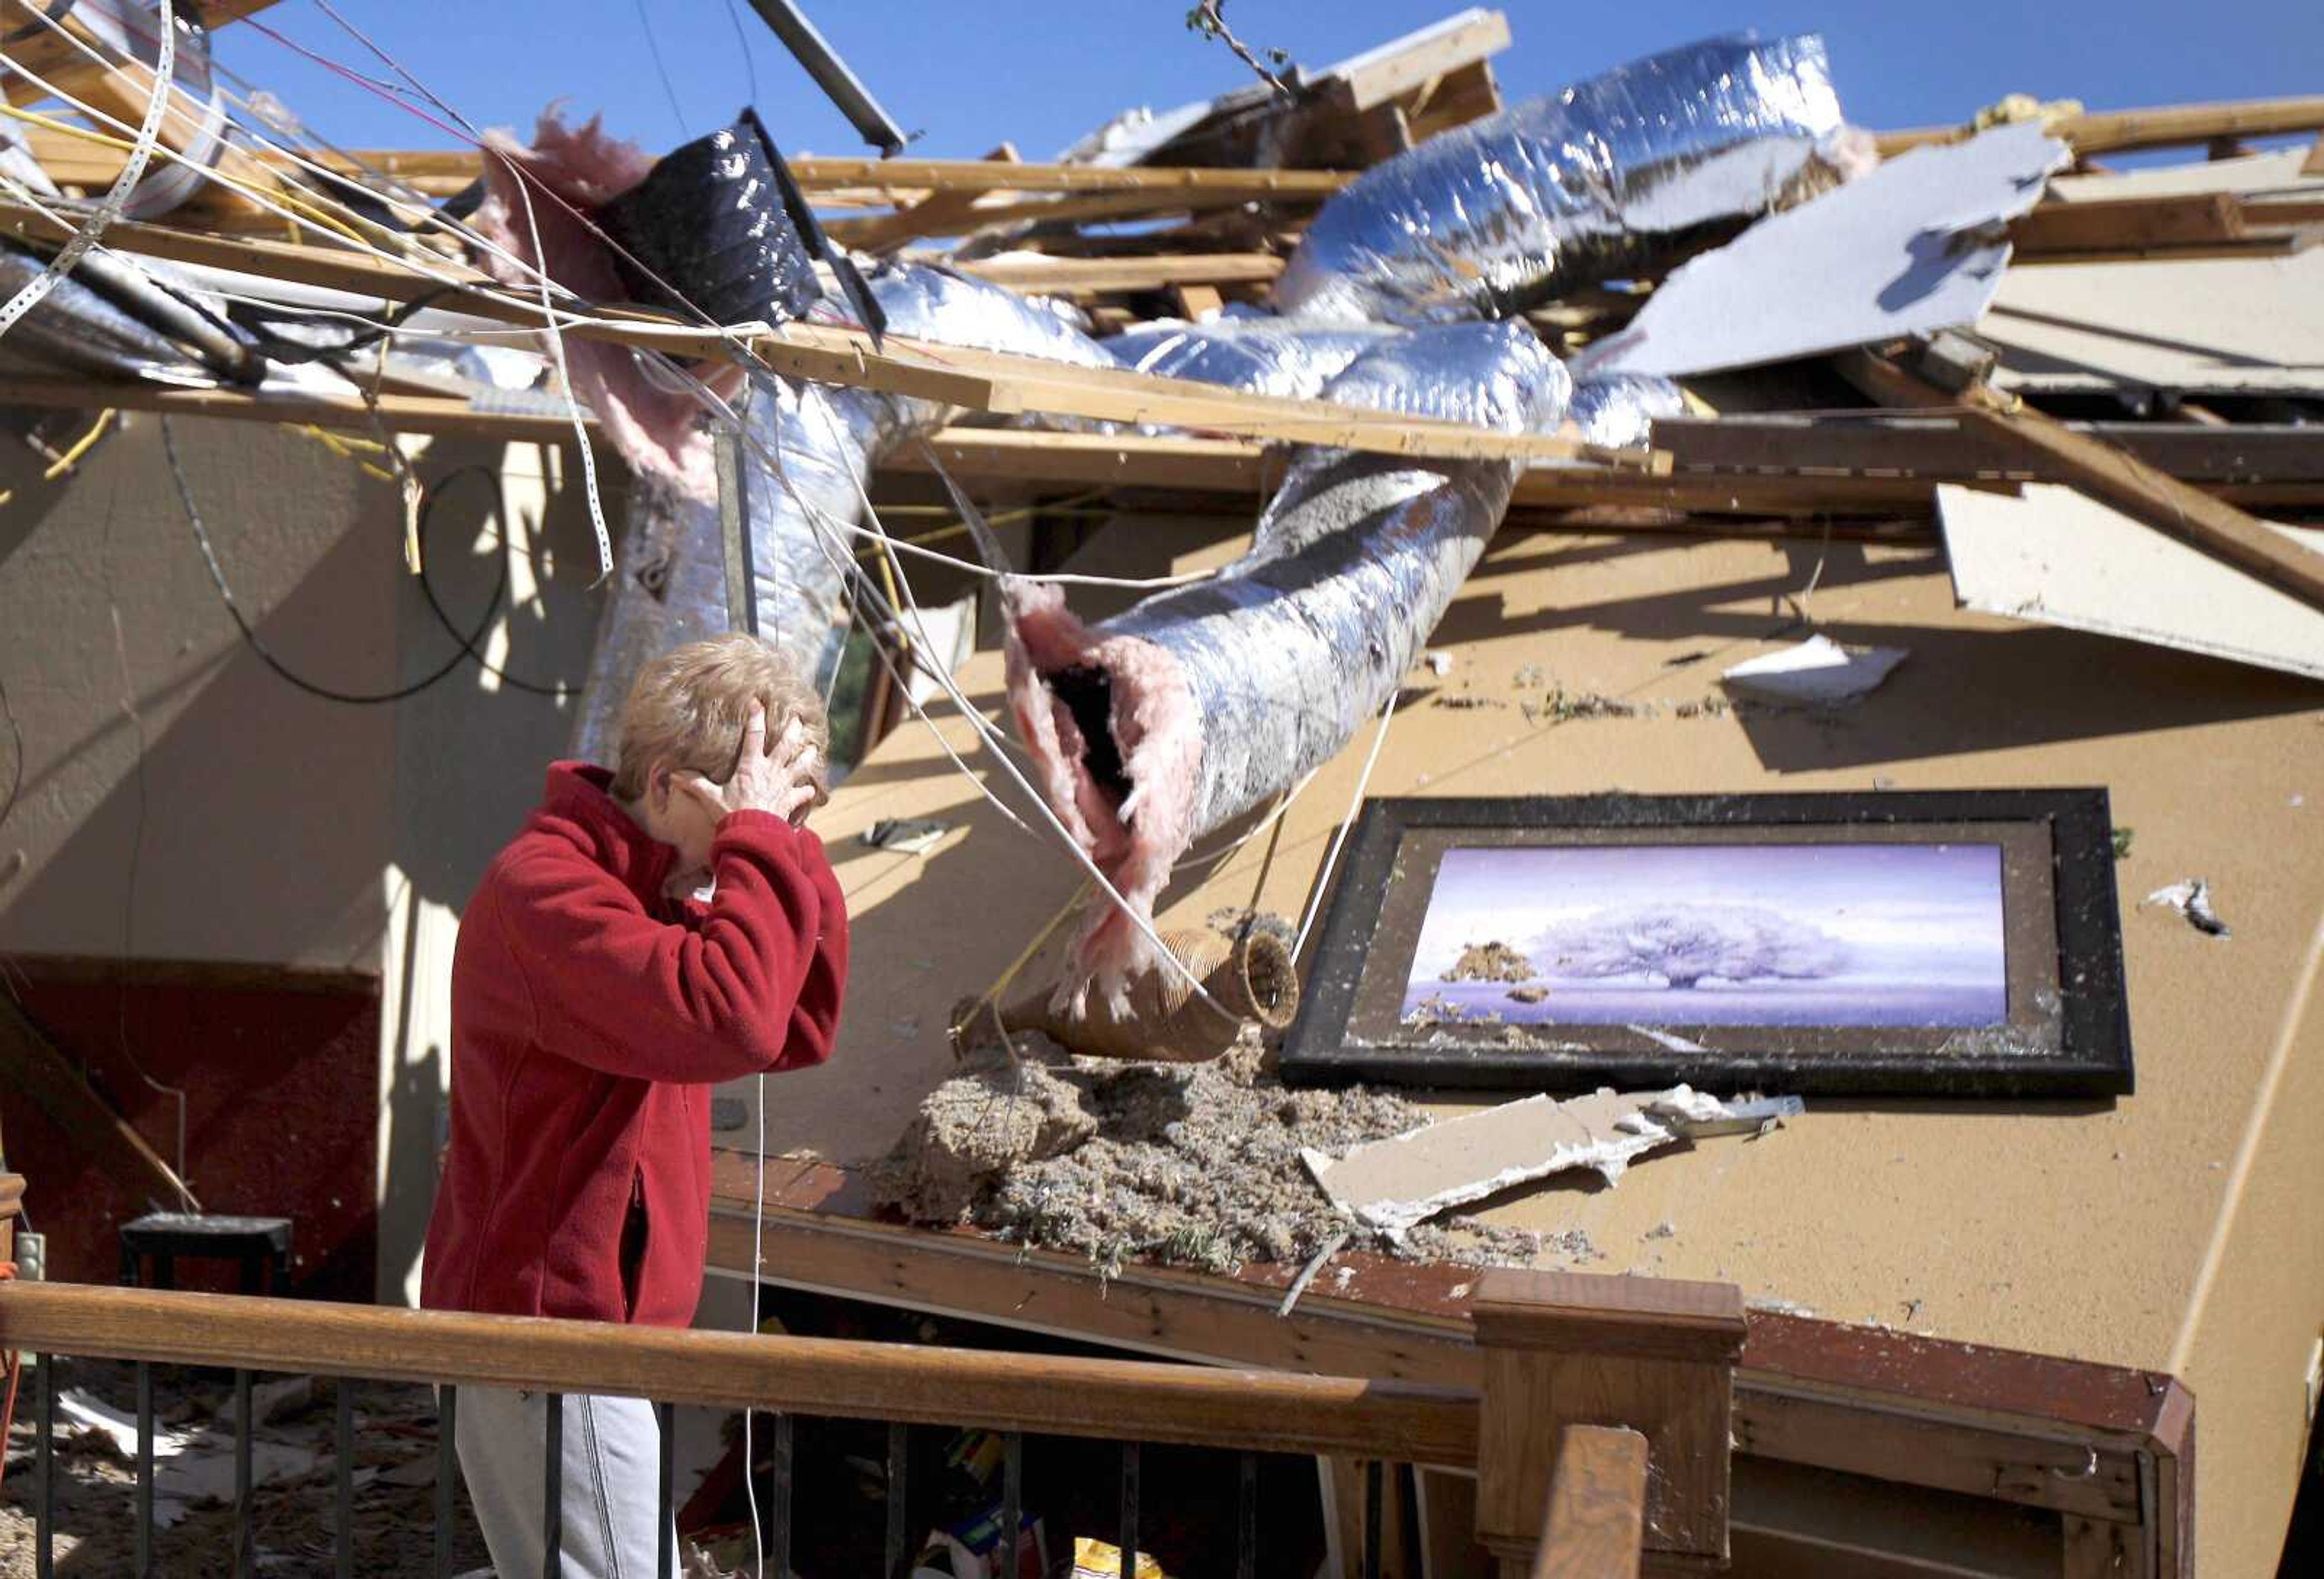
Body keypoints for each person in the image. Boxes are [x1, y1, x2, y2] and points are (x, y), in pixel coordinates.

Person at [421, 634, 848, 1577]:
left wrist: (786, 842)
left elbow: (799, 1019)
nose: (754, 837)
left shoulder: (659, 887)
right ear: (662, 789)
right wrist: (760, 844)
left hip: (597, 1349)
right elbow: (731, 1018)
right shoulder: (548, 894)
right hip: (547, 1346)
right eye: (741, 813)